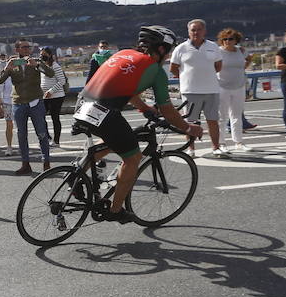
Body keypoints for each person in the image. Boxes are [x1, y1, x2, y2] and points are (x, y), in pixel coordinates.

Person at [76, 28, 204, 221]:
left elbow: (128, 91)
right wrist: (188, 127)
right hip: (105, 113)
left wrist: (145, 109)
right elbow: (168, 110)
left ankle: (76, 175)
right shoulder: (155, 71)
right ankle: (115, 210)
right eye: (168, 51)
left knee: (111, 143)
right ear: (160, 49)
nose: (168, 55)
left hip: (82, 106)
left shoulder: (123, 54)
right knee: (133, 157)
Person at [0, 39, 55, 175]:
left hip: (35, 102)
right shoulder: (12, 63)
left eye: (29, 47)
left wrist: (37, 66)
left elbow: (51, 73)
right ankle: (25, 164)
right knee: (21, 135)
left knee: (42, 133)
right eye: (24, 47)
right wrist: (7, 68)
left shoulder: (36, 62)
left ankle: (46, 163)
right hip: (18, 103)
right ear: (17, 50)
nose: (27, 49)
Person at [170, 19, 226, 158]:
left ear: (204, 31)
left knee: (212, 120)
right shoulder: (180, 48)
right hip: (190, 91)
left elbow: (218, 66)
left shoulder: (213, 46)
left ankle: (216, 147)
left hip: (211, 90)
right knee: (190, 122)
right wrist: (187, 78)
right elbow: (173, 68)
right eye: (193, 30)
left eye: (199, 29)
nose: (196, 32)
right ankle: (191, 149)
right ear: (189, 32)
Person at [217, 28, 251, 153]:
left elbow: (248, 59)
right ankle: (221, 143)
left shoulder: (241, 50)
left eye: (230, 39)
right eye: (224, 39)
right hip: (222, 87)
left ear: (236, 40)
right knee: (222, 116)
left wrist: (243, 69)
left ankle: (239, 142)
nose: (227, 41)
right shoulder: (218, 52)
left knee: (236, 116)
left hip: (239, 86)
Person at [40, 47, 68, 147]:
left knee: (54, 118)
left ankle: (56, 141)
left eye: (44, 54)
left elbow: (62, 81)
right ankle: (47, 138)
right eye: (41, 54)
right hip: (44, 96)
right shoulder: (42, 66)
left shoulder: (55, 66)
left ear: (49, 55)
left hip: (57, 96)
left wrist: (51, 91)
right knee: (40, 117)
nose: (42, 56)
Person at [0, 54, 15, 155]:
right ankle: (9, 146)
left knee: (21, 125)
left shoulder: (22, 74)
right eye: (11, 63)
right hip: (8, 102)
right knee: (9, 125)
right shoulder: (4, 75)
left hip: (20, 101)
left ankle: (24, 145)